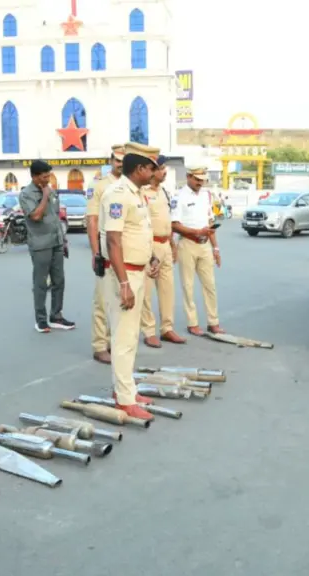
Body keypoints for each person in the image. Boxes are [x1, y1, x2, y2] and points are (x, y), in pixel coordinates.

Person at [100, 142, 161, 420]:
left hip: (137, 271)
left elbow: (137, 233)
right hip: (123, 274)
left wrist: (151, 258)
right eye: (151, 168)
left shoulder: (137, 194)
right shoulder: (117, 194)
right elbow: (113, 240)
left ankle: (126, 389)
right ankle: (124, 400)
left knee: (130, 338)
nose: (154, 172)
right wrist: (124, 283)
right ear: (139, 169)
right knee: (123, 338)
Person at [171, 166, 226, 337]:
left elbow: (210, 224)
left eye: (202, 180)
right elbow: (174, 224)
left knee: (210, 285)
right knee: (188, 286)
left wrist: (215, 247)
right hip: (187, 244)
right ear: (188, 177)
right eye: (197, 179)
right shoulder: (178, 197)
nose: (200, 183)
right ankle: (192, 323)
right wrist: (196, 232)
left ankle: (213, 322)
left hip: (204, 245)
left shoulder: (206, 195)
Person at [19, 160, 74, 333]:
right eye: (44, 176)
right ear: (35, 177)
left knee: (59, 281)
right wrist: (44, 195)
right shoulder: (26, 194)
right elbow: (35, 216)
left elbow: (55, 216)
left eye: (49, 175)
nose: (47, 179)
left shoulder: (51, 191)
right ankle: (41, 320)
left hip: (56, 241)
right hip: (40, 244)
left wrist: (63, 240)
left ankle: (56, 316)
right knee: (41, 283)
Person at [140, 155, 186, 348]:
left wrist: (172, 244)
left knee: (167, 290)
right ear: (152, 170)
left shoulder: (163, 192)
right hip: (150, 245)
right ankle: (149, 331)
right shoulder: (142, 192)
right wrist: (149, 250)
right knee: (147, 292)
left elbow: (167, 221)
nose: (165, 171)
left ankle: (167, 328)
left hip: (166, 244)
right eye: (161, 168)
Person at [86, 144, 124, 364]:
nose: (120, 164)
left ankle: (114, 341)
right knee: (102, 300)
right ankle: (99, 345)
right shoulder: (99, 185)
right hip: (106, 251)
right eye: (117, 160)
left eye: (123, 160)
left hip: (124, 251)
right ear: (111, 160)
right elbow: (92, 219)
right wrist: (95, 252)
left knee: (120, 300)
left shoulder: (129, 186)